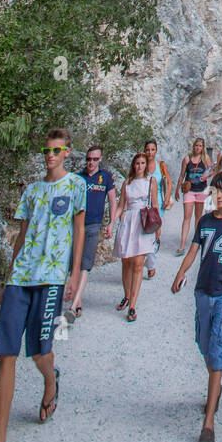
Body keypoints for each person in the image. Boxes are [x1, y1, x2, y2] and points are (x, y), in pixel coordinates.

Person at [0, 128, 86, 442]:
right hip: (21, 277)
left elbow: (80, 230)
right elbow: (22, 235)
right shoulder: (31, 190)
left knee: (41, 353)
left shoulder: (76, 186)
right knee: (7, 353)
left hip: (53, 278)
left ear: (67, 152)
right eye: (46, 150)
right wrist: (7, 278)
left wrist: (74, 276)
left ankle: (50, 382)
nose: (49, 155)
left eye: (56, 150)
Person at [172, 172, 222, 442]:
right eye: (215, 191)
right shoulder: (204, 222)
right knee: (203, 345)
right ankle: (215, 386)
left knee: (217, 349)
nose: (218, 196)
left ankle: (208, 423)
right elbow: (194, 250)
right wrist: (181, 273)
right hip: (202, 291)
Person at [65, 145, 116, 320]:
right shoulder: (78, 178)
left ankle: (74, 304)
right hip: (75, 225)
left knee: (86, 264)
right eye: (88, 159)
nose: (91, 163)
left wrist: (111, 223)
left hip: (94, 225)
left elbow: (112, 200)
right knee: (75, 264)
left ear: (100, 160)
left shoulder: (106, 177)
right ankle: (76, 302)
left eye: (94, 159)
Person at [113, 153, 159, 322]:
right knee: (126, 261)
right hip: (129, 221)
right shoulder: (127, 183)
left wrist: (157, 227)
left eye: (142, 163)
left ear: (146, 165)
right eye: (137, 163)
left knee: (138, 264)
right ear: (133, 165)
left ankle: (132, 305)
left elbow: (155, 204)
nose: (140, 166)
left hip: (143, 221)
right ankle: (126, 295)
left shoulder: (150, 182)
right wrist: (112, 223)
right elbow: (120, 206)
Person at [175, 137, 214, 254]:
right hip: (189, 191)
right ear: (194, 146)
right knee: (187, 217)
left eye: (200, 146)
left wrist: (207, 176)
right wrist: (177, 189)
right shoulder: (187, 159)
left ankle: (197, 243)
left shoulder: (205, 158)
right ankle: (182, 245)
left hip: (201, 190)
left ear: (203, 147)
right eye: (196, 145)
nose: (198, 148)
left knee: (198, 217)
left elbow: (212, 170)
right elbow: (182, 175)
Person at [143, 138, 173, 280]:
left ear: (156, 151)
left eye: (152, 149)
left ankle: (151, 262)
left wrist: (167, 198)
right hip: (143, 202)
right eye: (148, 149)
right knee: (144, 231)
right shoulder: (141, 164)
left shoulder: (161, 165)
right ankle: (149, 262)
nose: (150, 152)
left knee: (155, 232)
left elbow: (169, 182)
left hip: (158, 203)